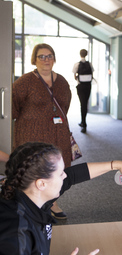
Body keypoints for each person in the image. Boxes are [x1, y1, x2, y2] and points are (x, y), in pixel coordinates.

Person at [0, 142, 122, 255]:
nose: (65, 176)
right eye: (60, 173)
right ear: (41, 184)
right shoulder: (16, 235)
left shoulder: (33, 196)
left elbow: (73, 175)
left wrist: (116, 165)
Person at [12, 43, 72, 219]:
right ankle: (29, 205)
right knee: (33, 168)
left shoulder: (61, 81)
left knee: (56, 168)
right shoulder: (25, 81)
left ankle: (52, 202)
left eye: (49, 56)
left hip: (57, 134)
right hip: (32, 134)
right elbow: (14, 107)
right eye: (42, 56)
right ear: (34, 59)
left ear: (54, 59)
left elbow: (65, 105)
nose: (46, 60)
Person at [72, 49, 94, 134]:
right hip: (88, 86)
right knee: (86, 103)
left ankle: (83, 123)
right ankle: (83, 122)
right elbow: (92, 74)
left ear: (80, 54)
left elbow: (74, 76)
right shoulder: (90, 64)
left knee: (82, 104)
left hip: (80, 86)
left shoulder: (77, 64)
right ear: (86, 54)